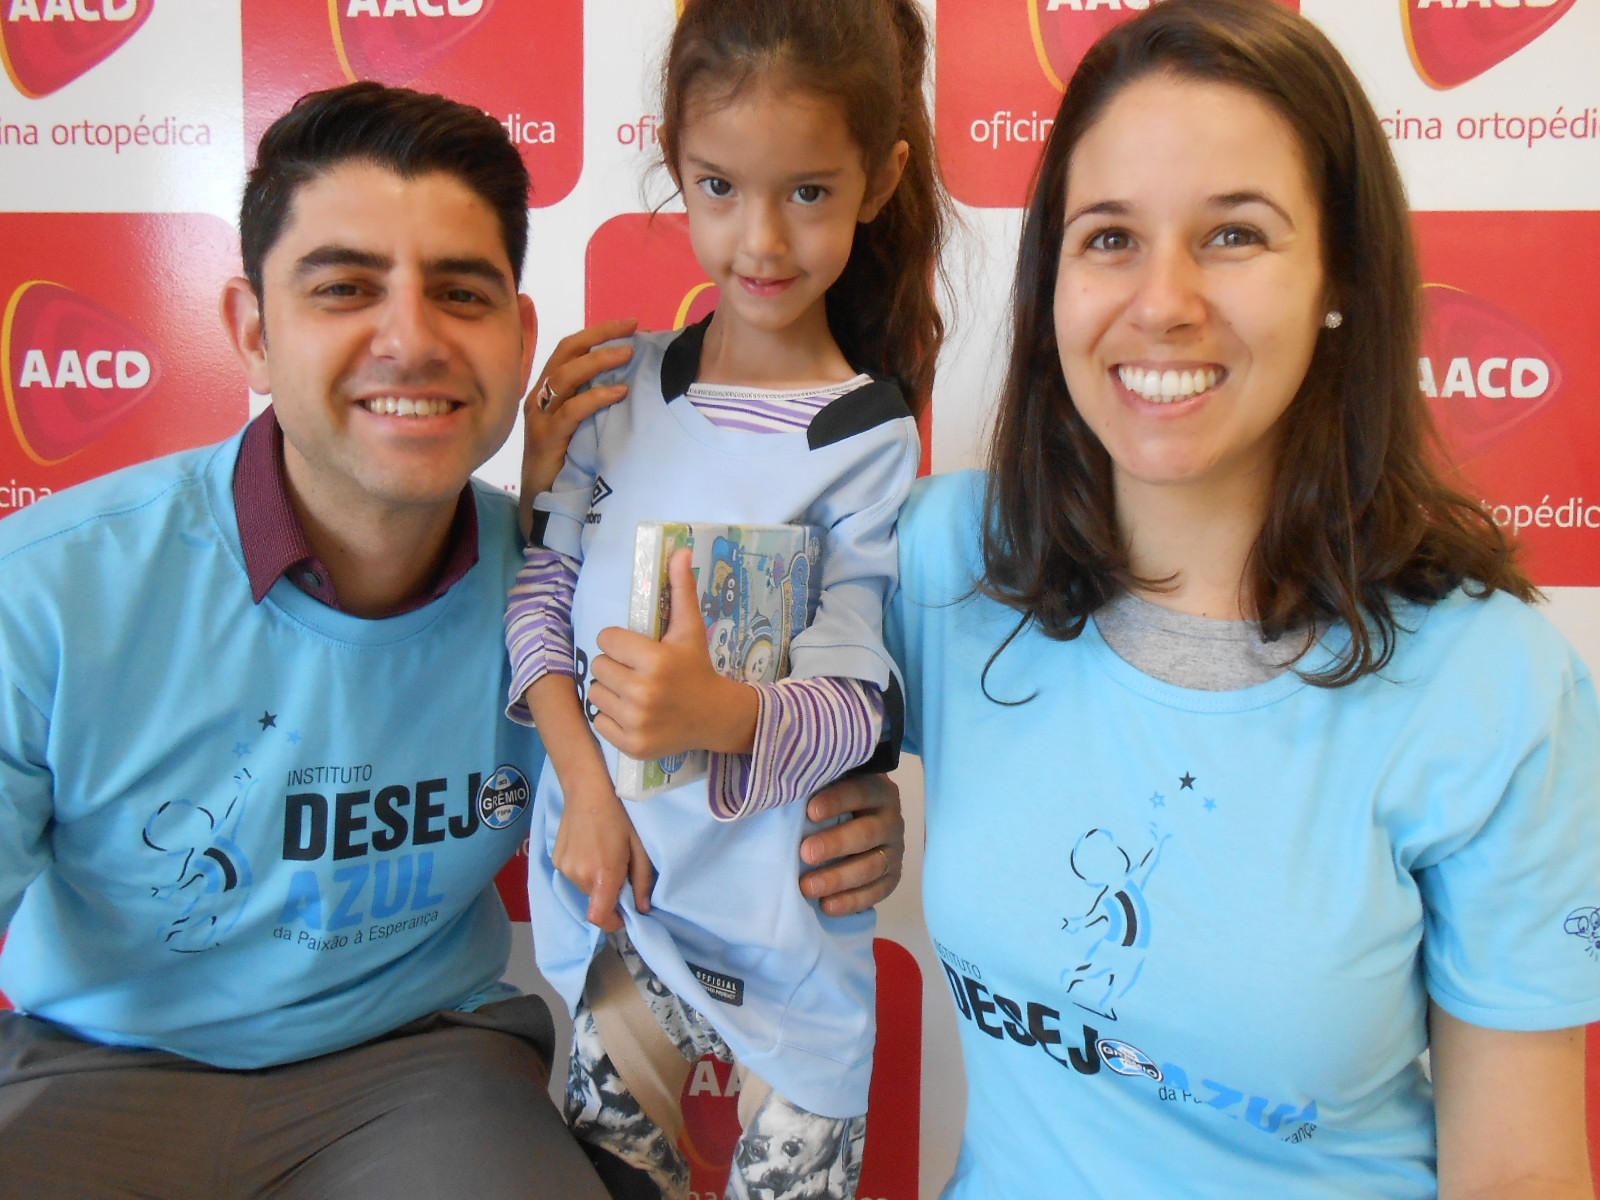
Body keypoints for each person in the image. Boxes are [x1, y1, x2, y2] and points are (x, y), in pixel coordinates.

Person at [0, 80, 903, 1200]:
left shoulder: (571, 588)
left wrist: (842, 811)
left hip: (422, 1069)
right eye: (343, 288)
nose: (410, 340)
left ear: (520, 338)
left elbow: (711, 749)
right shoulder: (43, 593)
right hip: (98, 1070)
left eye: (460, 293)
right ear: (252, 332)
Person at [883, 1, 1600, 1196]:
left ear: (1339, 281)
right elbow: (725, 756)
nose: (1161, 302)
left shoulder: (1490, 683)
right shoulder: (950, 560)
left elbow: (1516, 1173)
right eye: (1108, 238)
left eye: (1233, 236)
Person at [501, 1, 949, 1195]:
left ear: (879, 177)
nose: (760, 239)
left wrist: (731, 718)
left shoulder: (868, 435)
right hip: (618, 905)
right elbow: (536, 597)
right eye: (717, 186)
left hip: (786, 931)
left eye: (807, 192)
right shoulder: (615, 387)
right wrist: (588, 792)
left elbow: (862, 702)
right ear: (673, 162)